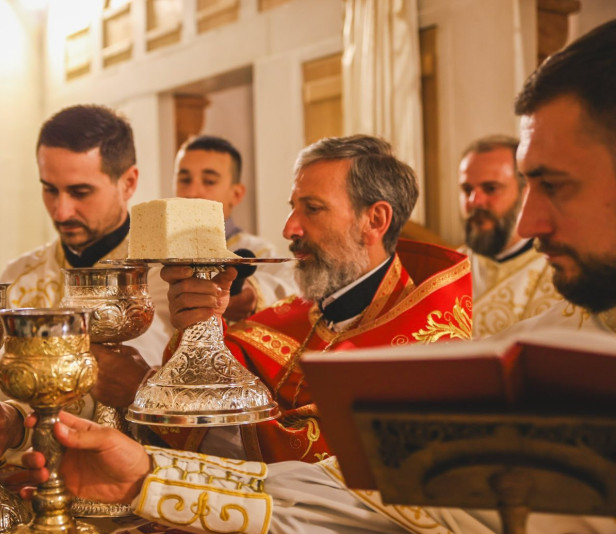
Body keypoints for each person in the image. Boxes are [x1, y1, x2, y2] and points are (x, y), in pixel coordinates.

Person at [19, 18, 616, 534]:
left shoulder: (441, 341)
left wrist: (153, 470)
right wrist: (150, 474)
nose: (528, 222)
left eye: (555, 184)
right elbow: (373, 499)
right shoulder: (561, 338)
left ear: (374, 220)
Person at [156, 134, 472, 462]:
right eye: (294, 207)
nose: (289, 229)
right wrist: (200, 326)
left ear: (374, 221)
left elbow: (323, 469)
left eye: (313, 209)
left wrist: (142, 383)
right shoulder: (307, 310)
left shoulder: (427, 353)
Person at [0, 104, 174, 473]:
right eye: (50, 190)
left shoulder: (168, 279)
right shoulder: (19, 276)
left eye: (81, 192)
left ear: (128, 182)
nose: (61, 211)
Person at [174, 135, 297, 321]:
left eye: (209, 181)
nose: (192, 192)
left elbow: (293, 293)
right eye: (184, 180)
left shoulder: (261, 253)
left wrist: (253, 292)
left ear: (236, 194)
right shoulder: (157, 252)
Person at [457, 135, 561, 337]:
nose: (474, 201)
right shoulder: (445, 270)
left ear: (526, 192)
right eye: (467, 189)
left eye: (490, 189)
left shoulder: (559, 268)